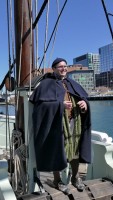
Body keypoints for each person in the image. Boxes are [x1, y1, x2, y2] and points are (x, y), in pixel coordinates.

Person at [29, 58, 92, 194]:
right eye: (60, 67)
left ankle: (75, 178)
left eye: (65, 66)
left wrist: (84, 104)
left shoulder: (72, 83)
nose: (63, 69)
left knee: (75, 150)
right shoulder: (46, 84)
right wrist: (60, 105)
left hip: (75, 121)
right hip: (57, 124)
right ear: (54, 69)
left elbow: (82, 98)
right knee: (57, 150)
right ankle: (57, 180)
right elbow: (40, 106)